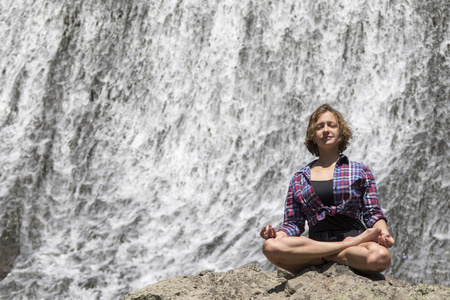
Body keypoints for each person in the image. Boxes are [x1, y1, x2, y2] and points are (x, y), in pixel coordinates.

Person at [260, 103, 395, 275]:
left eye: (332, 125)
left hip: (354, 243)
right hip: (316, 244)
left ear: (340, 132)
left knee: (380, 257)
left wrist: (383, 233)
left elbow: (372, 213)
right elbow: (293, 224)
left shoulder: (360, 171)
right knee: (270, 246)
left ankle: (326, 257)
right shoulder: (299, 178)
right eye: (319, 126)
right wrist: (276, 235)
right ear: (313, 135)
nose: (326, 130)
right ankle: (339, 249)